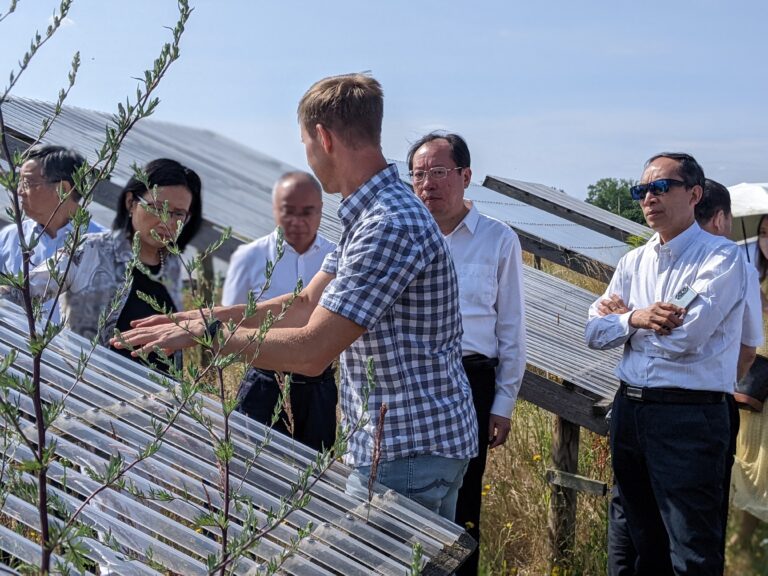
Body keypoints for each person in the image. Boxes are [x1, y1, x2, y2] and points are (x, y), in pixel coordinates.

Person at [114, 73, 478, 520]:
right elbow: (305, 304)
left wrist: (207, 335)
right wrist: (203, 315)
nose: (306, 155)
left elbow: (311, 352)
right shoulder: (373, 216)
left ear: (323, 138)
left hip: (406, 451)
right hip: (415, 446)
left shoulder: (388, 225)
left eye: (305, 142)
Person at [585, 153, 749, 575]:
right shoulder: (632, 262)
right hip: (631, 411)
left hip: (687, 416)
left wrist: (622, 323)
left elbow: (684, 339)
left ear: (694, 194)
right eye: (641, 191)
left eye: (660, 188)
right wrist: (638, 317)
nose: (648, 199)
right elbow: (593, 334)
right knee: (641, 547)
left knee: (691, 550)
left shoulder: (721, 258)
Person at [407, 131, 525, 574]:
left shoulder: (497, 238)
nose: (428, 183)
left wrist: (504, 402)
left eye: (439, 172)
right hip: (411, 378)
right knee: (406, 494)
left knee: (464, 497)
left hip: (471, 380)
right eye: (419, 174)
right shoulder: (404, 236)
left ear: (465, 175)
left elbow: (511, 326)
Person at [1, 158, 202, 374]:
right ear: (131, 203)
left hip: (153, 403)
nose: (168, 221)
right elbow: (14, 295)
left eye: (179, 214)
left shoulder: (170, 268)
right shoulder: (91, 250)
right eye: (157, 208)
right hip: (87, 395)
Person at [221, 171, 337, 451]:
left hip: (317, 387)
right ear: (274, 209)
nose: (297, 221)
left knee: (314, 475)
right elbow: (231, 323)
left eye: (307, 212)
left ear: (321, 211)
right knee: (249, 468)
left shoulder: (335, 258)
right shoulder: (249, 257)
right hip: (264, 381)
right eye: (288, 211)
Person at [0, 144, 106, 321]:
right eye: (20, 182)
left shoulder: (101, 246)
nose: (19, 192)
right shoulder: (10, 237)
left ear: (63, 189)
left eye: (27, 183)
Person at [730, 212, 768, 552]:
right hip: (756, 382)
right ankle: (743, 536)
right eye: (764, 233)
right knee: (751, 457)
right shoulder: (754, 276)